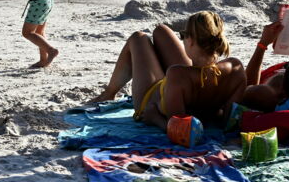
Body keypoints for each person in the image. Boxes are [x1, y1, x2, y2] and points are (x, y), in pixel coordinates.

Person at [91, 12, 246, 131]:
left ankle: (109, 93)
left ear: (190, 41)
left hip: (151, 102)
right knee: (161, 30)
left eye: (183, 36)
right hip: (188, 84)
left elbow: (178, 129)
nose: (183, 39)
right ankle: (110, 92)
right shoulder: (236, 68)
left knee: (138, 38)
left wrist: (154, 119)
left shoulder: (177, 74)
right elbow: (229, 120)